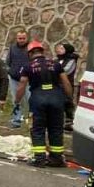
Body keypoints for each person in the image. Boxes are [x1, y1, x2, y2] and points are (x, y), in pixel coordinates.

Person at [16, 40, 73, 168]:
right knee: (56, 129)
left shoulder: (28, 67)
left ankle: (39, 158)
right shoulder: (56, 64)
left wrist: (17, 101)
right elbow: (66, 83)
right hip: (56, 99)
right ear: (42, 51)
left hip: (38, 99)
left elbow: (21, 86)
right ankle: (56, 158)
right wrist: (69, 99)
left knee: (37, 129)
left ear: (30, 53)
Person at [7, 30, 31, 128]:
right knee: (16, 100)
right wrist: (10, 71)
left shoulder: (31, 48)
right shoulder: (12, 48)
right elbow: (8, 61)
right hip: (14, 78)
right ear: (17, 38)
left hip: (28, 79)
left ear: (27, 38)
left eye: (23, 38)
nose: (21, 40)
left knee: (30, 99)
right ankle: (16, 120)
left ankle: (31, 120)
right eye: (19, 38)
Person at [55, 41, 80, 131]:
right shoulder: (58, 59)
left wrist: (55, 71)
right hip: (57, 84)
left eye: (62, 48)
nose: (58, 50)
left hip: (66, 84)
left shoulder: (71, 60)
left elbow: (66, 71)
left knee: (67, 103)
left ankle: (69, 122)